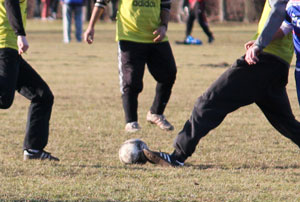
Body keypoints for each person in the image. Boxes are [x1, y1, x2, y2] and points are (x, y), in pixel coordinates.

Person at [142, 0, 297, 167]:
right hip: (277, 64)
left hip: (262, 61)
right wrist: (261, 40)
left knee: (209, 101)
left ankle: (177, 156)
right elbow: (285, 23)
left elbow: (278, 10)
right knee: (286, 123)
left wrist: (260, 44)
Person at [84, 0, 177, 132]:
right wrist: (91, 26)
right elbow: (101, 2)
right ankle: (131, 122)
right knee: (131, 80)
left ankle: (156, 113)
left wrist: (163, 26)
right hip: (130, 36)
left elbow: (165, 5)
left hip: (155, 36)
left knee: (169, 73)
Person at [0, 0, 59, 161]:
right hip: (3, 44)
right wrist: (20, 34)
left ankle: (33, 149)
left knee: (42, 96)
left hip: (11, 48)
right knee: (3, 99)